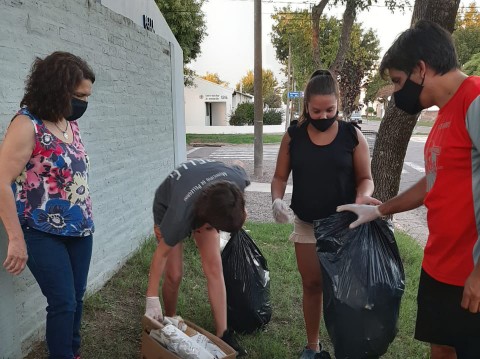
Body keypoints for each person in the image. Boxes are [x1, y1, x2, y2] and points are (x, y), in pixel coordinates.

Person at [337, 20, 480, 359]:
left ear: (421, 69)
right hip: (439, 265)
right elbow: (433, 181)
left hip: (470, 272)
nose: (397, 92)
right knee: (442, 347)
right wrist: (379, 209)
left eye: (398, 82)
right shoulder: (443, 116)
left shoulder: (474, 99)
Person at [271, 69, 379, 359]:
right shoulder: (293, 136)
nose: (323, 116)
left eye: (330, 109)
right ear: (306, 106)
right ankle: (312, 346)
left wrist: (362, 197)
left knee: (345, 289)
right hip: (307, 223)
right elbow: (279, 177)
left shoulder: (352, 136)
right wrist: (276, 200)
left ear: (338, 104)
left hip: (345, 224)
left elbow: (365, 177)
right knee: (312, 284)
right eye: (316, 110)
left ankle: (348, 345)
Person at [0, 52, 95, 359]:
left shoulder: (69, 123)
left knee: (77, 299)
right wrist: (15, 238)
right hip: (41, 231)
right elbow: (2, 180)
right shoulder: (27, 124)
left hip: (80, 228)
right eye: (79, 95)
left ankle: (73, 352)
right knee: (63, 302)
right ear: (56, 87)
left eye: (86, 96)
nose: (83, 102)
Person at [145, 159, 250, 356]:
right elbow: (160, 256)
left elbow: (239, 164)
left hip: (209, 198)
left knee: (214, 267)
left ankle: (223, 333)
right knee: (174, 274)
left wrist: (241, 211)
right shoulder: (178, 217)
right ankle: (170, 320)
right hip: (168, 205)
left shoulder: (237, 180)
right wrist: (151, 297)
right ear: (206, 221)